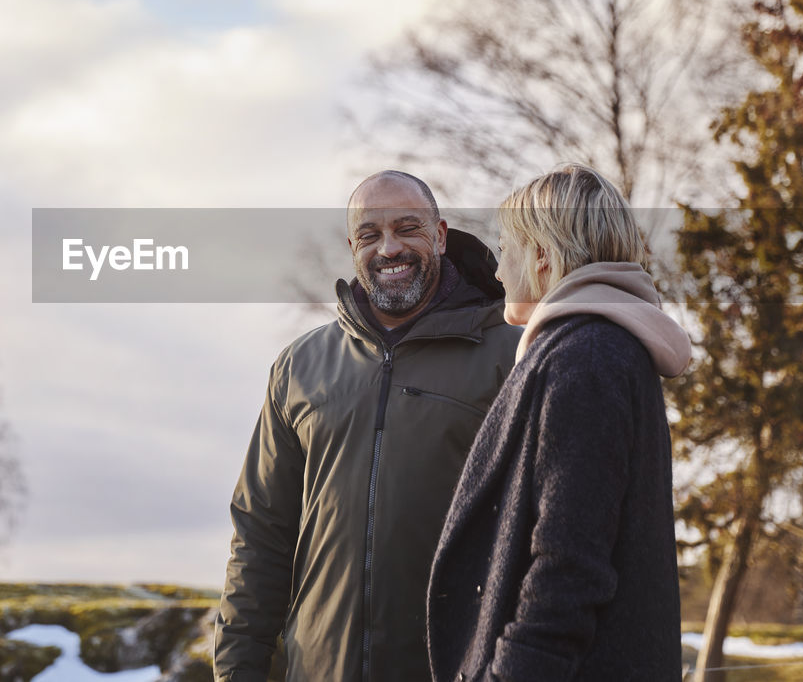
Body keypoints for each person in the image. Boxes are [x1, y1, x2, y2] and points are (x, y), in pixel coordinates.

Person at [214, 171, 522, 681]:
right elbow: (260, 534)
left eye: (408, 228)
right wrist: (237, 671)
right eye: (370, 235)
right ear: (352, 247)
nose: (390, 248)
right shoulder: (300, 366)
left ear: (441, 236)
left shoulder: (512, 354)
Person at [426, 164, 691, 682]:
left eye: (506, 248)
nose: (499, 271)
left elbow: (568, 565)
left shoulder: (586, 357)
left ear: (542, 255)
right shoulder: (596, 349)